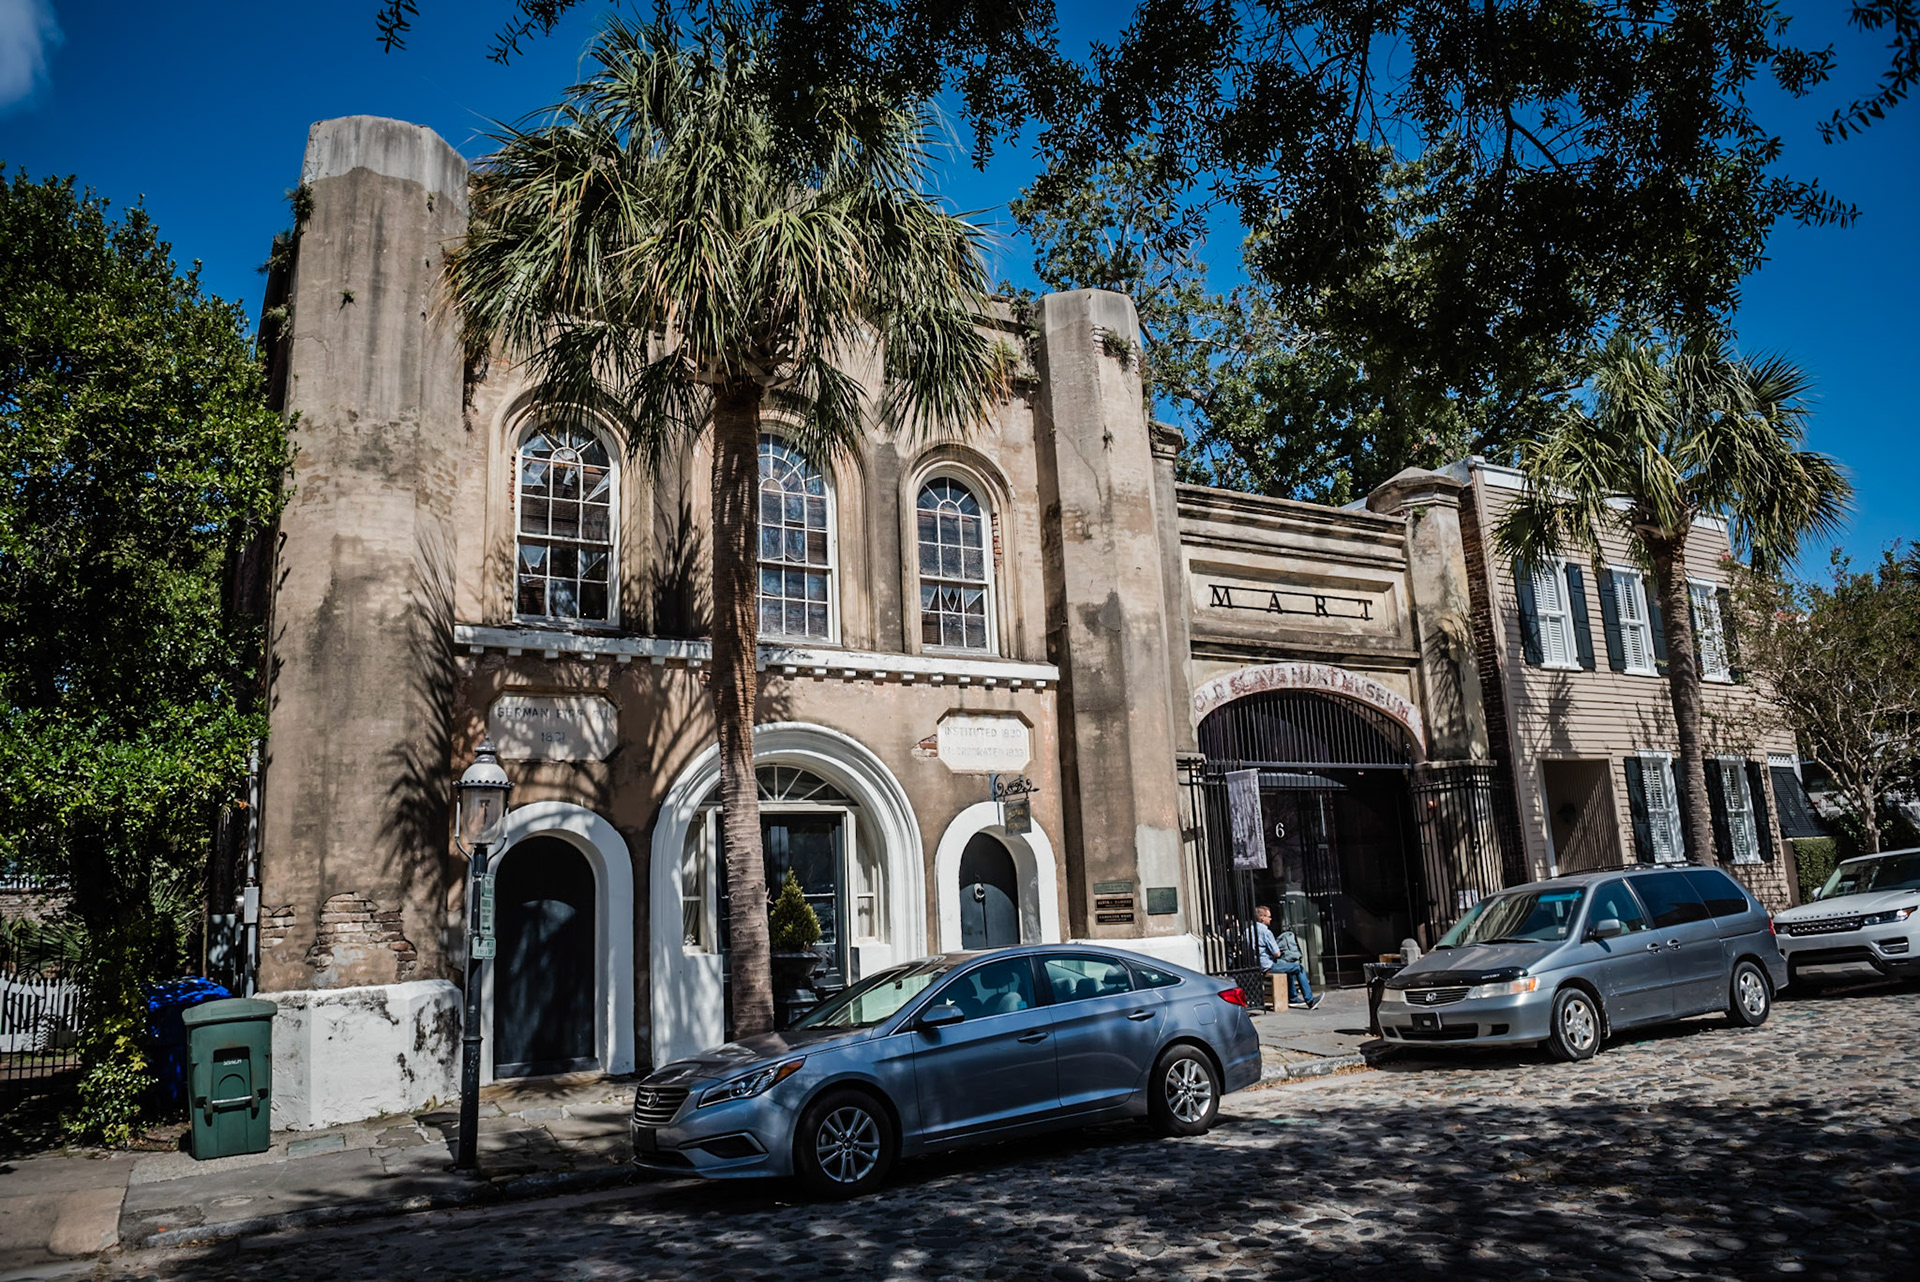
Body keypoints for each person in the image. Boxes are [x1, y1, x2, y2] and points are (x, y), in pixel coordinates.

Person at [1252, 906, 1318, 1009]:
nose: (1271, 919)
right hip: (1267, 966)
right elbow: (1277, 954)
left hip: (1255, 965)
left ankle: (1293, 998)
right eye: (1269, 917)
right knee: (1298, 968)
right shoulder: (1266, 932)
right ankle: (1310, 1000)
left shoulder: (1248, 931)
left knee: (1288, 966)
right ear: (1262, 917)